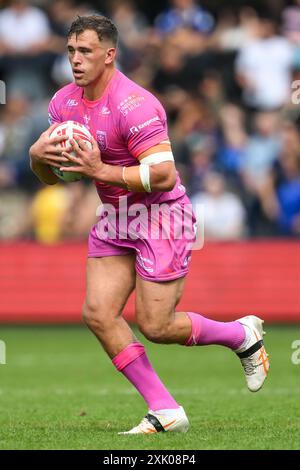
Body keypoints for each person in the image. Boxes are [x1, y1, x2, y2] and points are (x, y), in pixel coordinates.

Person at [29, 15, 269, 435]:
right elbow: (57, 174)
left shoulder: (134, 104)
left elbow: (164, 176)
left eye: (85, 51)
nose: (76, 60)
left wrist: (100, 170)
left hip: (161, 216)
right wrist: (36, 157)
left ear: (109, 54)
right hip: (117, 216)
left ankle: (240, 334)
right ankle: (165, 409)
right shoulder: (64, 104)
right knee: (99, 313)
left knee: (156, 326)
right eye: (71, 51)